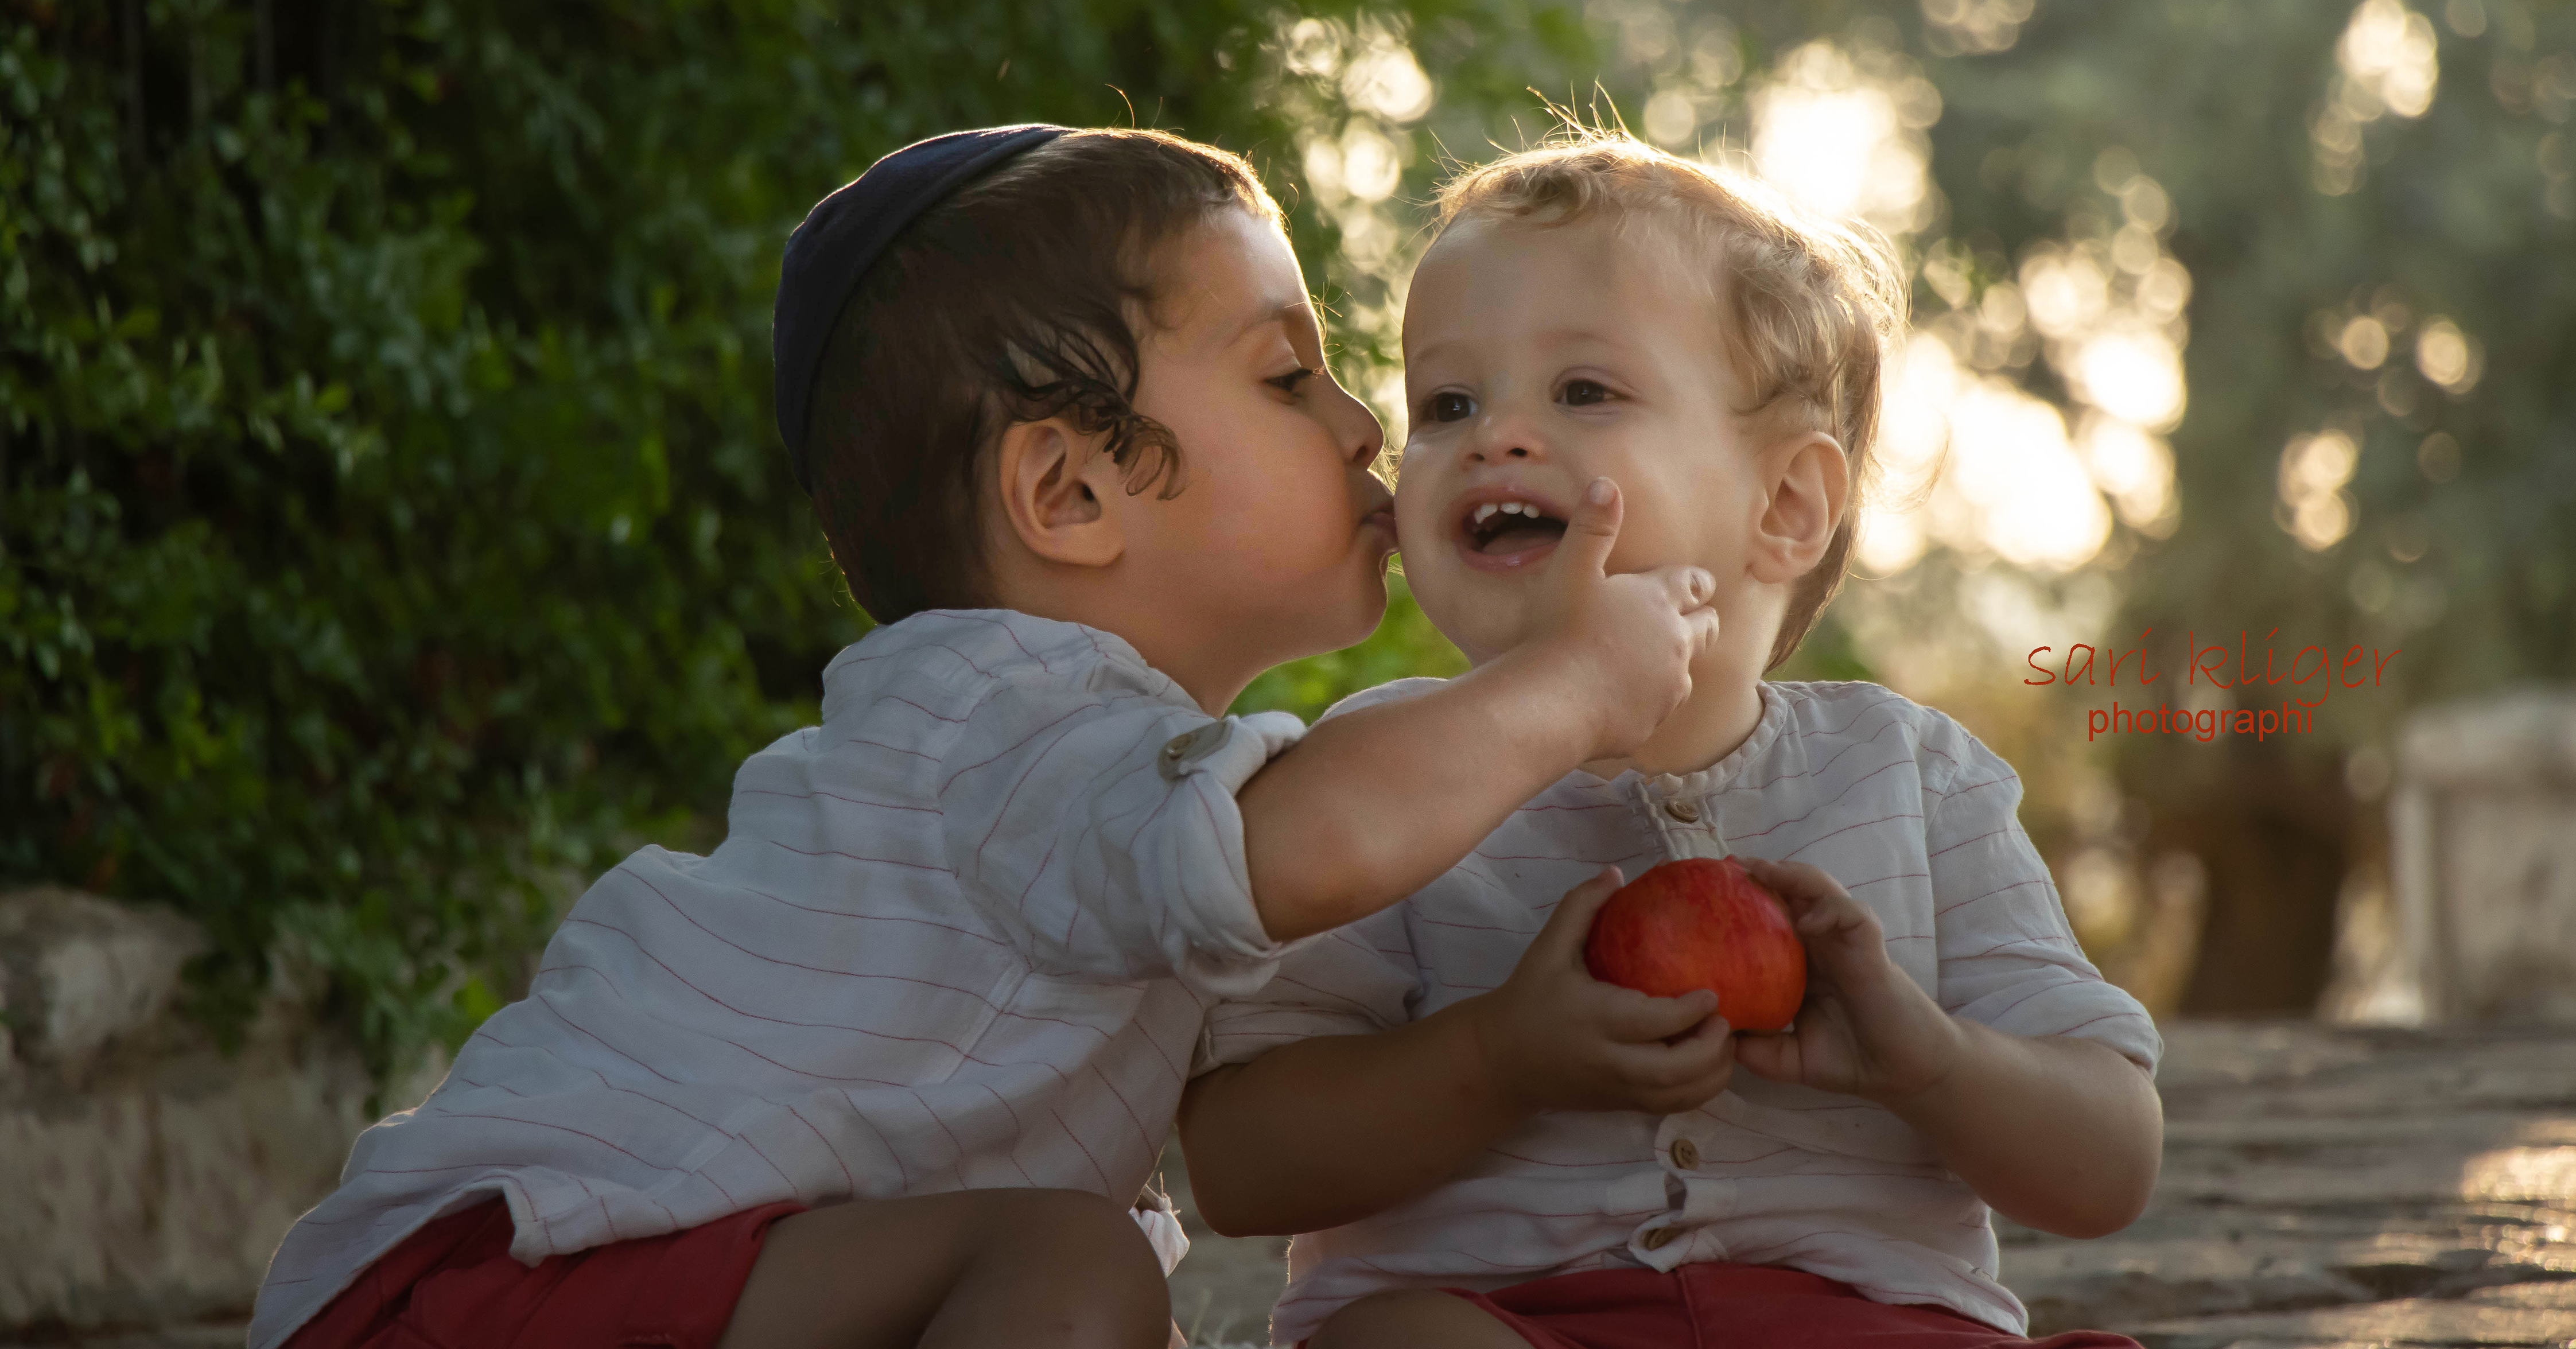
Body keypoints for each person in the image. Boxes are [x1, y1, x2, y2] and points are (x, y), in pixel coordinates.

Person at [248, 125, 1727, 1349]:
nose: (1365, 429)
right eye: (1289, 376)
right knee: (1073, 1272)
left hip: (607, 1285)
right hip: (489, 1291)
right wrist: (1577, 686)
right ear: (1068, 496)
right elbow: (1314, 842)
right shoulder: (1006, 715)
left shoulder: (1057, 760)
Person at [1179, 133, 2166, 1349]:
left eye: (1584, 392)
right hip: (1511, 1322)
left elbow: (2109, 1167)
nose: (1495, 437)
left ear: (1785, 504)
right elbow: (1241, 1167)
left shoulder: (1914, 778)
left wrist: (1932, 1060)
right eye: (1447, 404)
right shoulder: (1375, 784)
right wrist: (1496, 1060)